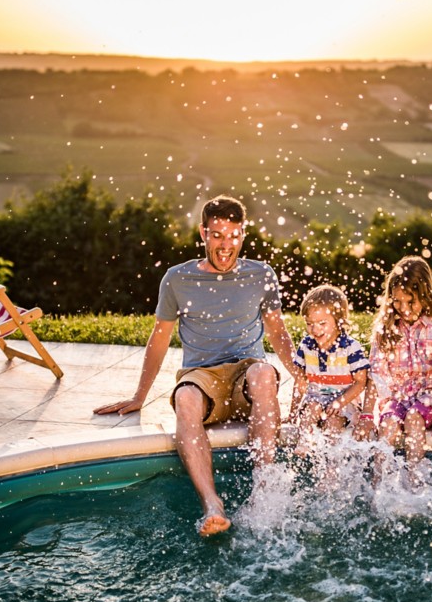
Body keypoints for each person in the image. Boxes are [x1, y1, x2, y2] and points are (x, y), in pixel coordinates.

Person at [94, 195, 296, 536]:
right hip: (202, 376)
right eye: (217, 234)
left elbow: (278, 332)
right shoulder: (177, 279)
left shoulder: (262, 274)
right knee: (185, 397)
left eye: (233, 235)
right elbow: (159, 339)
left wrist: (302, 378)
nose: (225, 244)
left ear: (243, 234)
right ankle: (212, 505)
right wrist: (140, 396)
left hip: (247, 370)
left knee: (263, 373)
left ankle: (264, 491)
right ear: (203, 233)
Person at [359, 255, 432, 465]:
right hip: (398, 399)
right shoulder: (386, 330)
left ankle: (414, 482)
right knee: (388, 425)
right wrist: (367, 415)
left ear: (425, 296)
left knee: (414, 418)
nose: (403, 308)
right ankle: (380, 487)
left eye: (410, 301)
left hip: (430, 399)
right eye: (397, 301)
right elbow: (375, 377)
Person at [290, 284, 369, 436]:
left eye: (322, 323)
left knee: (334, 422)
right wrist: (292, 413)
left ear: (339, 321)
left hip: (343, 402)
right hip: (315, 398)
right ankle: (304, 445)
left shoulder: (350, 348)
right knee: (311, 410)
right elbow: (300, 382)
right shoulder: (306, 346)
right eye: (309, 324)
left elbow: (361, 382)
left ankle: (331, 458)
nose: (315, 329)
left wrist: (339, 402)